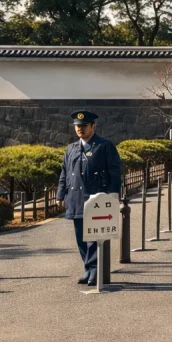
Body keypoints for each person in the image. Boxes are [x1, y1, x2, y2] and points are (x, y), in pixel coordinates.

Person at [56, 110, 122, 286]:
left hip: (96, 198)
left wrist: (112, 195)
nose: (80, 129)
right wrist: (60, 194)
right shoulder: (71, 148)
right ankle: (88, 268)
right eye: (78, 126)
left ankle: (94, 270)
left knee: (93, 236)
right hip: (75, 198)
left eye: (84, 126)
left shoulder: (104, 146)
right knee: (80, 237)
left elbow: (114, 173)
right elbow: (65, 173)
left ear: (93, 126)